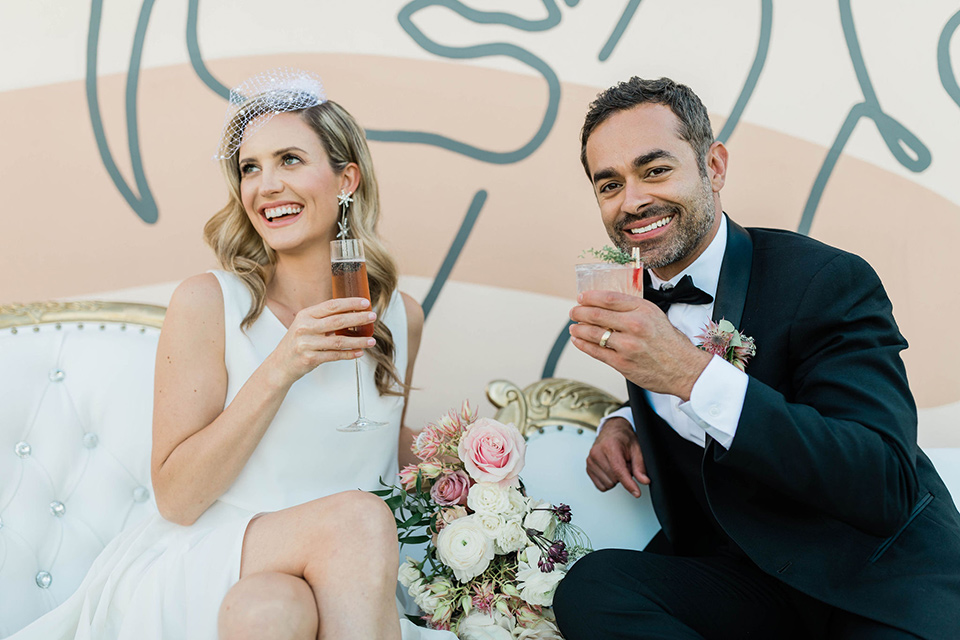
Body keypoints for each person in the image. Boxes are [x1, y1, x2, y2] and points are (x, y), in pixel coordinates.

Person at [12, 69, 455, 640]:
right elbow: (177, 498)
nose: (265, 185)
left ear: (347, 179)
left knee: (268, 612)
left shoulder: (399, 316)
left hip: (339, 573)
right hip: (219, 549)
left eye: (290, 159)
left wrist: (473, 478)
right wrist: (281, 368)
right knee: (358, 516)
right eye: (250, 168)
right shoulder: (208, 302)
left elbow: (372, 442)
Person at [552, 76, 960, 639]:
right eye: (609, 184)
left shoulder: (825, 280)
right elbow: (677, 401)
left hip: (874, 581)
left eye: (655, 170)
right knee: (593, 587)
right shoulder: (634, 297)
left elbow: (884, 483)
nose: (633, 200)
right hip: (749, 582)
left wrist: (693, 375)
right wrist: (624, 420)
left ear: (713, 167)